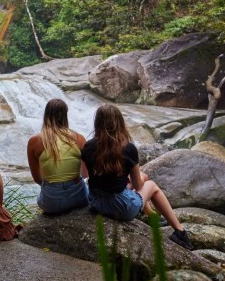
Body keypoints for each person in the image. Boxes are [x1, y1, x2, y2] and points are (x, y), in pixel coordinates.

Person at [80, 104, 193, 250]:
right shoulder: (127, 148)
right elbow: (138, 186)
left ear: (98, 123)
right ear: (119, 123)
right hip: (121, 209)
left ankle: (152, 217)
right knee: (150, 185)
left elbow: (84, 175)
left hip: (95, 202)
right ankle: (180, 232)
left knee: (143, 177)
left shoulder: (88, 146)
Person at [27, 99, 89, 214]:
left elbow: (37, 178)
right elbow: (86, 173)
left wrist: (54, 188)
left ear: (46, 115)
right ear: (65, 115)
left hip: (51, 202)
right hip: (78, 199)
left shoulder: (35, 141)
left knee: (39, 199)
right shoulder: (79, 138)